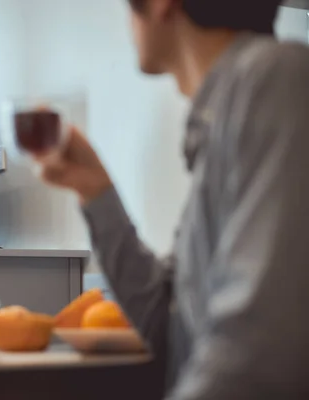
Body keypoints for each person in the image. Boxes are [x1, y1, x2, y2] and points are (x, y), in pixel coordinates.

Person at [34, 0, 309, 398]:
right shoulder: (227, 116)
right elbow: (169, 325)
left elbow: (254, 348)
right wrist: (95, 190)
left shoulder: (275, 77)